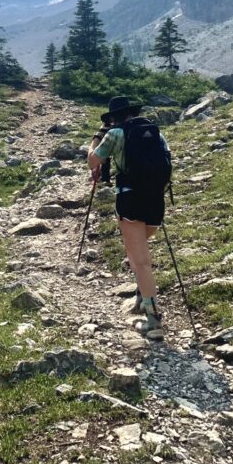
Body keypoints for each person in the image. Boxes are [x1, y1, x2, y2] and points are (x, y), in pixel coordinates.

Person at [88, 95, 170, 340]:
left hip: (130, 199)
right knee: (140, 254)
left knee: (140, 260)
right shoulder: (155, 132)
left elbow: (93, 160)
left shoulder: (115, 134)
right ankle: (142, 296)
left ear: (113, 117)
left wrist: (95, 139)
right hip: (156, 200)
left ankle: (153, 320)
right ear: (133, 112)